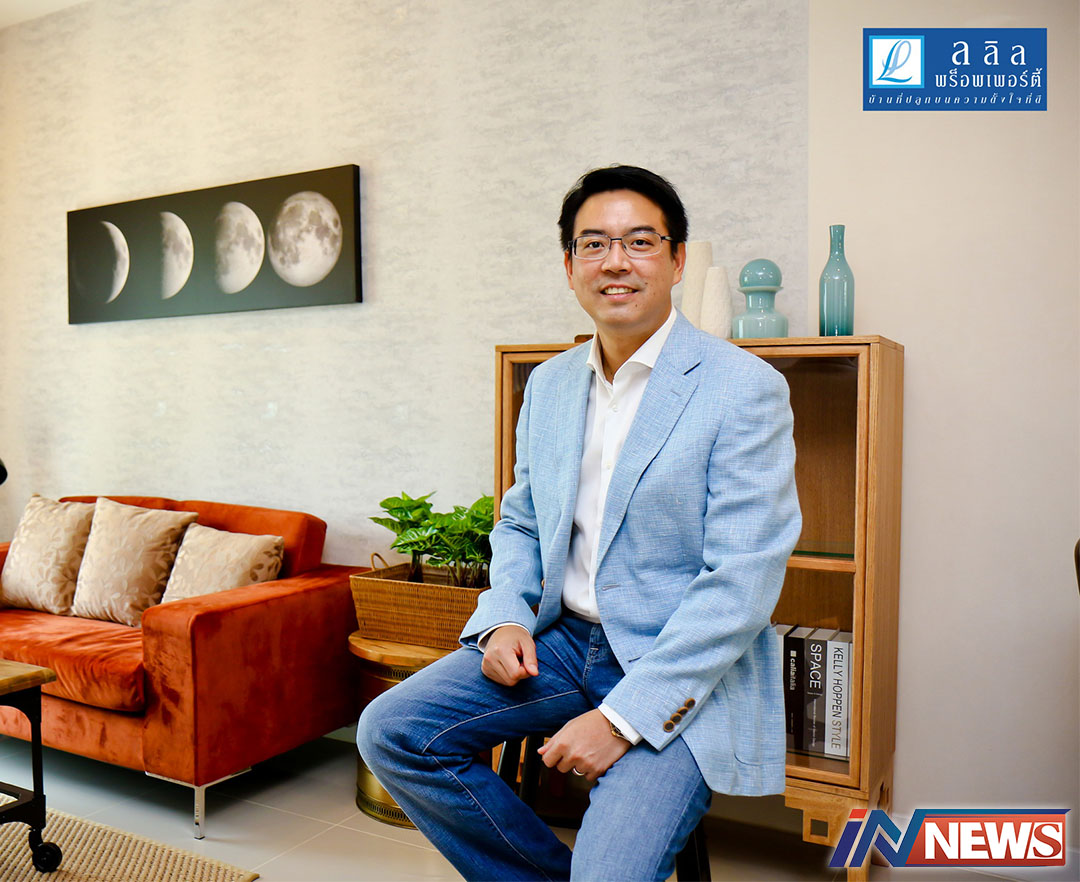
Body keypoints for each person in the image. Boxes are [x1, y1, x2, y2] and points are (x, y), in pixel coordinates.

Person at [358, 165, 801, 881]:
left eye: (640, 242)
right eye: (594, 244)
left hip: (676, 662)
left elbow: (742, 581)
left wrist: (622, 718)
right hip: (562, 645)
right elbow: (522, 523)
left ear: (677, 260)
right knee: (392, 731)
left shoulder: (744, 388)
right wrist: (505, 616)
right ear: (569, 267)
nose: (615, 261)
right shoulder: (551, 383)